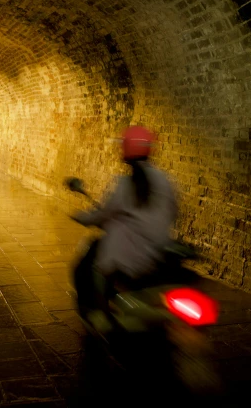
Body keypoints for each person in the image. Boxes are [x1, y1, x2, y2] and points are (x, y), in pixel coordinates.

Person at [71, 126, 177, 329]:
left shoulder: (125, 184)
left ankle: (100, 316)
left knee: (91, 266)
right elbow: (174, 212)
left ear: (125, 151)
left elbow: (105, 213)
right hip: (157, 252)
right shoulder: (165, 180)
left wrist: (83, 218)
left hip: (128, 257)